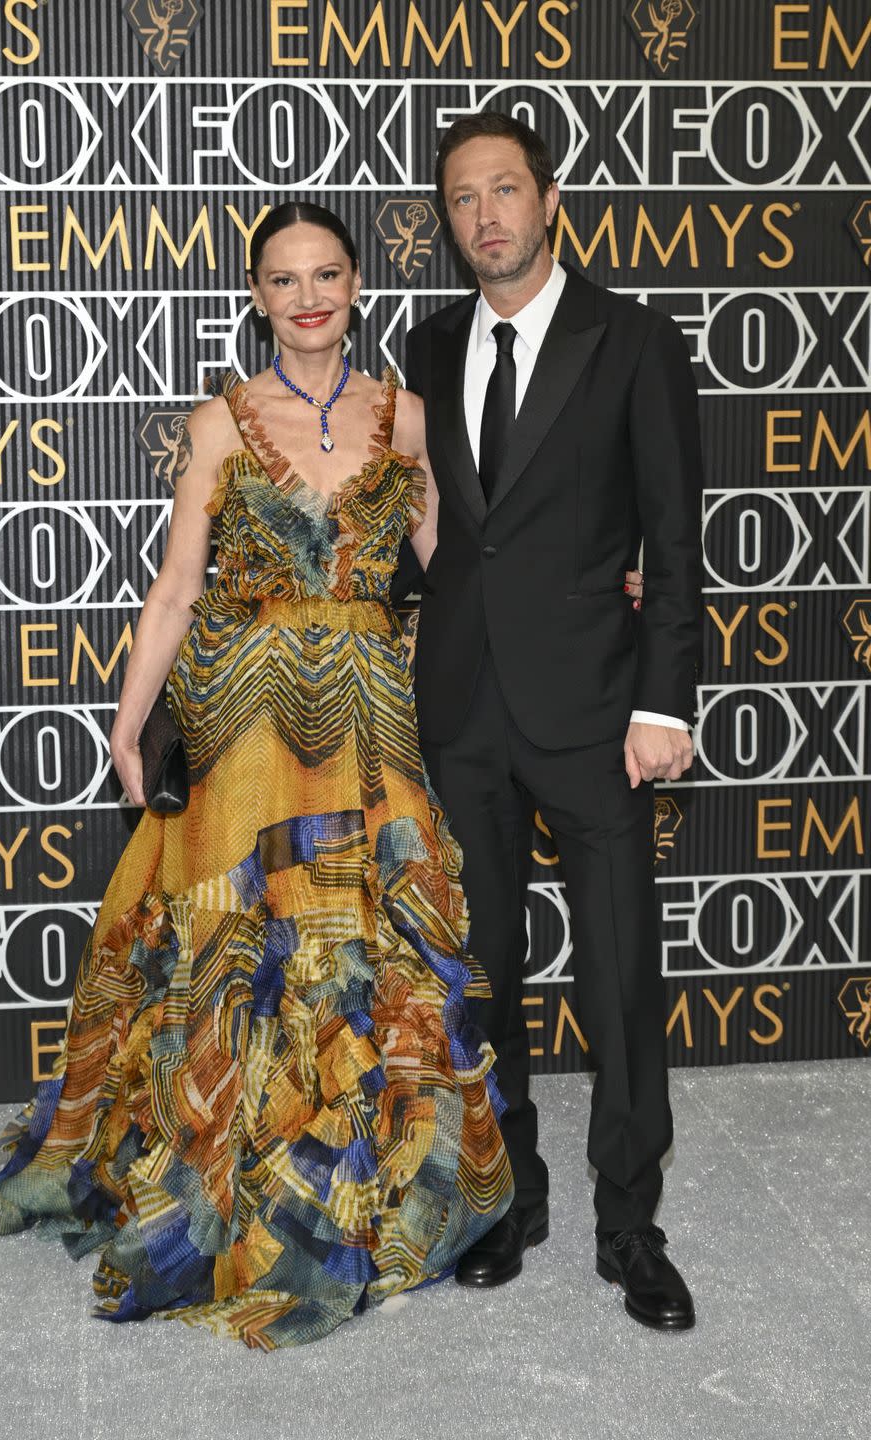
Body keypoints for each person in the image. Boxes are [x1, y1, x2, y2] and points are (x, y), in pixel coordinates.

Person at [0, 201, 516, 1349]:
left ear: (357, 284)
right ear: (257, 295)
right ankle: (229, 1173)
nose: (308, 295)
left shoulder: (409, 418)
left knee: (368, 950)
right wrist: (127, 722)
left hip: (369, 705)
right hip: (242, 710)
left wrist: (573, 606)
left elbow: (455, 571)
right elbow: (175, 587)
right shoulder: (219, 423)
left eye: (327, 273)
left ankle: (351, 1188)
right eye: (284, 278)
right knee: (235, 951)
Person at [405, 113, 703, 1331]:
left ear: (550, 199)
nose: (486, 216)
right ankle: (509, 1194)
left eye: (505, 191)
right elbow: (430, 535)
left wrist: (664, 699)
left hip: (596, 711)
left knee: (621, 974)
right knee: (486, 970)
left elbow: (675, 542)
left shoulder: (631, 339)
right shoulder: (425, 348)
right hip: (465, 707)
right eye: (464, 199)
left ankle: (630, 1222)